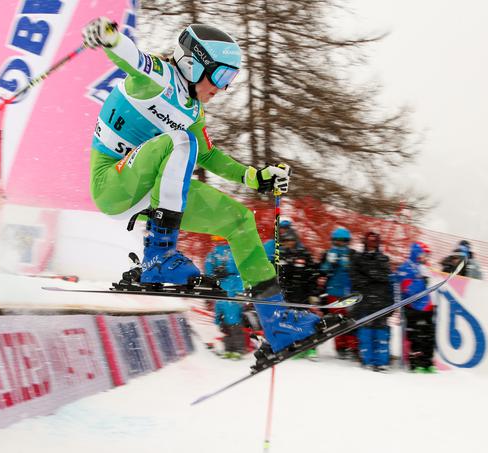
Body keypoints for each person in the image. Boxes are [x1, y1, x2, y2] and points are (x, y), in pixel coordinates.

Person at [82, 18, 343, 363]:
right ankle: (158, 256)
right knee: (180, 140)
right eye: (220, 76)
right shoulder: (158, 78)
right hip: (112, 183)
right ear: (193, 64)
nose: (223, 87)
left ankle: (278, 322)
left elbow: (207, 154)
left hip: (154, 186)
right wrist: (110, 38)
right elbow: (130, 58)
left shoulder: (193, 110)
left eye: (231, 79)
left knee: (239, 221)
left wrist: (254, 176)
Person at [350, 232, 394, 371]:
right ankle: (367, 360)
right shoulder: (357, 258)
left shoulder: (383, 259)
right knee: (366, 332)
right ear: (365, 242)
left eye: (374, 241)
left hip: (381, 301)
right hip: (364, 301)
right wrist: (372, 277)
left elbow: (387, 279)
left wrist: (390, 302)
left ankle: (381, 361)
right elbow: (355, 279)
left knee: (381, 332)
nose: (372, 244)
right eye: (369, 241)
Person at [276, 229, 321, 360]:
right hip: (287, 295)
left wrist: (314, 293)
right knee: (289, 322)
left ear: (295, 240)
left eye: (291, 240)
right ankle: (294, 346)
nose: (288, 243)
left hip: (303, 294)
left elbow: (312, 275)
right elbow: (277, 276)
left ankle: (311, 348)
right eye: (285, 241)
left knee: (306, 321)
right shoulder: (281, 255)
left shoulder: (304, 254)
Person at [396, 242, 436, 373]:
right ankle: (416, 361)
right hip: (413, 307)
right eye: (424, 255)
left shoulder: (424, 267)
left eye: (427, 255)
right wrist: (422, 281)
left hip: (427, 307)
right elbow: (408, 289)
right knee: (416, 336)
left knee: (428, 335)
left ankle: (427, 361)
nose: (426, 258)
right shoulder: (406, 267)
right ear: (416, 253)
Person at [205, 237, 245, 359]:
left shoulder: (229, 253)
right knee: (226, 321)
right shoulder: (215, 253)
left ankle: (237, 349)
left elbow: (239, 273)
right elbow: (208, 270)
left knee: (232, 322)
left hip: (229, 291)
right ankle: (231, 348)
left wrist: (240, 292)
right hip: (223, 292)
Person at [320, 227, 357, 359]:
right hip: (334, 291)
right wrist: (330, 263)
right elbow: (323, 270)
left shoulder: (352, 254)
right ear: (333, 241)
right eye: (338, 241)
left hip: (349, 291)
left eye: (343, 241)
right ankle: (340, 346)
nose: (340, 243)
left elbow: (356, 270)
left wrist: (348, 265)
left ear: (347, 241)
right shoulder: (329, 252)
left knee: (352, 318)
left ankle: (353, 346)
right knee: (337, 319)